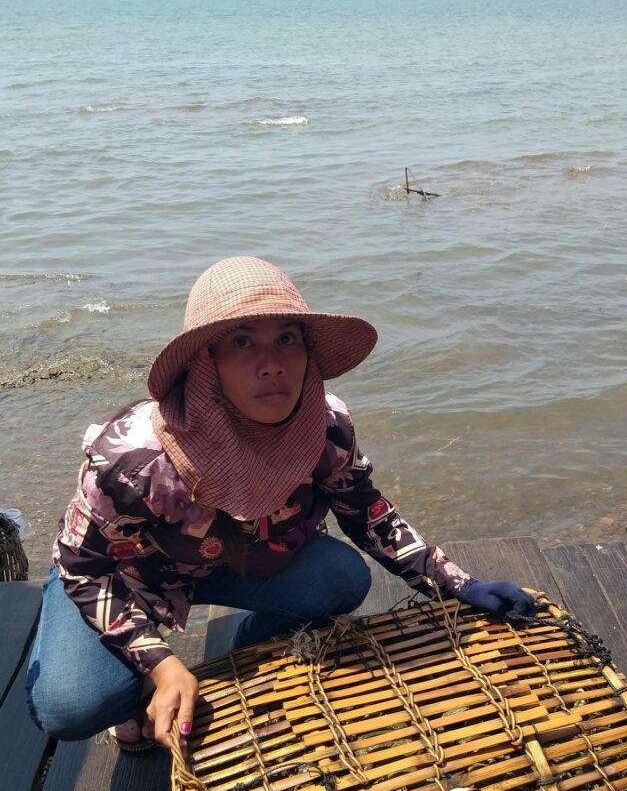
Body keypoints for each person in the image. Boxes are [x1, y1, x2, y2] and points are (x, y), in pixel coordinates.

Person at [26, 257, 534, 755]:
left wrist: (457, 584)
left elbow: (367, 513)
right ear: (207, 362)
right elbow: (83, 570)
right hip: (125, 573)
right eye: (242, 340)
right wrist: (159, 664)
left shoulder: (325, 425)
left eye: (287, 338)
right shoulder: (133, 459)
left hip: (240, 557)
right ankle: (138, 691)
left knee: (343, 578)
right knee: (72, 705)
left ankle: (242, 655)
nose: (272, 363)